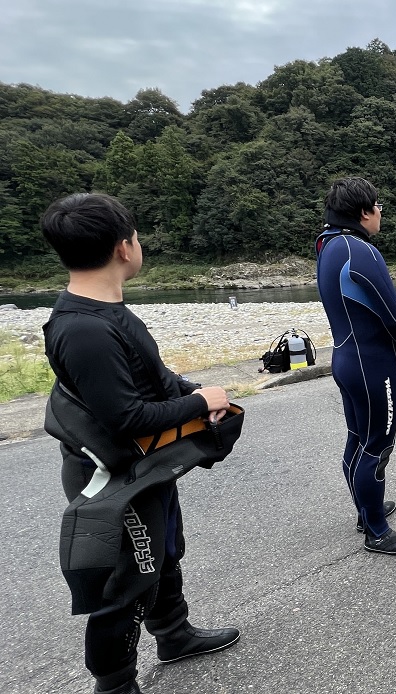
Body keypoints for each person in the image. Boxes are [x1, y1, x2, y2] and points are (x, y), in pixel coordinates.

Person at [40, 194, 240, 694]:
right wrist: (199, 407)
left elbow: (150, 377)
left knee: (165, 550)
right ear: (123, 247)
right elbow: (127, 417)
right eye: (136, 235)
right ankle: (114, 685)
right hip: (111, 477)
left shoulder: (108, 312)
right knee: (126, 582)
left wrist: (193, 392)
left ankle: (173, 634)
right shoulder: (84, 329)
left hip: (145, 467)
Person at [315, 177, 396, 556]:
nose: (381, 213)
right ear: (364, 212)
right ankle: (377, 532)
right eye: (379, 206)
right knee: (377, 447)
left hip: (346, 359)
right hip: (373, 365)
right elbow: (391, 310)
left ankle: (367, 511)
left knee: (358, 438)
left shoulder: (329, 245)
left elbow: (370, 303)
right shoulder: (359, 249)